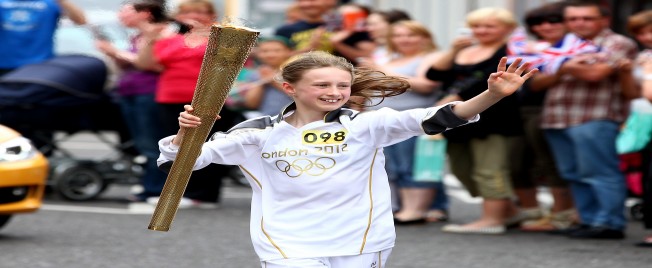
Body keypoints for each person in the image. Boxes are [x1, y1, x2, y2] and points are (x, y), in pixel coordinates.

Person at [157, 51, 536, 267]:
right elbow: (181, 162)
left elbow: (437, 117)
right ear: (290, 88)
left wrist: (492, 96)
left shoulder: (366, 126)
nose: (334, 92)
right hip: (287, 242)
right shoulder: (257, 132)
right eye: (322, 84)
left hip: (361, 240)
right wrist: (186, 134)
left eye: (342, 85)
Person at [537, 2, 638, 239]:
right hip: (556, 117)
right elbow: (535, 82)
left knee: (600, 172)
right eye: (572, 19)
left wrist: (559, 65)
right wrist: (567, 66)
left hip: (595, 116)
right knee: (572, 173)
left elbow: (596, 74)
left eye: (586, 18)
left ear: (604, 20)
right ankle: (588, 220)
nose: (578, 23)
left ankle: (609, 223)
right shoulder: (562, 43)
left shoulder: (617, 42)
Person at [427, 7, 525, 234]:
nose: (482, 30)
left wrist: (456, 97)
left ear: (508, 29)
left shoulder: (512, 50)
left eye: (490, 26)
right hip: (457, 117)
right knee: (461, 169)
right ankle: (508, 211)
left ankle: (492, 220)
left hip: (494, 118)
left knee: (490, 169)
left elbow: (498, 81)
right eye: (476, 26)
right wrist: (452, 50)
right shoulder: (464, 49)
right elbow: (434, 75)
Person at [136, 0, 242, 208]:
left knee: (206, 145)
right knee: (174, 145)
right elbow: (145, 64)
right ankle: (177, 193)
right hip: (170, 97)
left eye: (200, 12)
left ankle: (203, 194)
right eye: (187, 12)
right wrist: (150, 38)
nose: (193, 16)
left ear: (211, 15)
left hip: (209, 98)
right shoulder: (171, 39)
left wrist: (211, 32)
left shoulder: (222, 37)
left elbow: (235, 63)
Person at [358, 20, 445, 224]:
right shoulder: (386, 57)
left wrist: (380, 69)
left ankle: (417, 209)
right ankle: (400, 207)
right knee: (389, 167)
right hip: (377, 119)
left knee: (414, 166)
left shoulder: (431, 57)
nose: (403, 40)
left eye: (410, 35)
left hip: (411, 119)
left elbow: (426, 85)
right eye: (398, 35)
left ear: (425, 38)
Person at [508, 2, 576, 232]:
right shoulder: (521, 46)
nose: (546, 26)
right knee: (517, 162)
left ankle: (561, 215)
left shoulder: (577, 47)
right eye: (538, 22)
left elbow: (538, 83)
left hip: (556, 109)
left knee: (551, 162)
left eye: (553, 21)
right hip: (521, 109)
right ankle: (531, 212)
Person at [95, 0, 169, 202]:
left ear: (145, 13)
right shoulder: (137, 36)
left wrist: (116, 52)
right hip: (131, 92)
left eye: (126, 11)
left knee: (151, 143)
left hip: (148, 93)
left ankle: (155, 189)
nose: (120, 16)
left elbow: (153, 64)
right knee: (140, 143)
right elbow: (130, 64)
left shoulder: (160, 33)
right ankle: (148, 184)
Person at [0, 0, 86, 76]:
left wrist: (63, 1)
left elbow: (81, 20)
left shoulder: (50, 3)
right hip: (4, 65)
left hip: (41, 66)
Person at [625, 9, 652, 247]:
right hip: (644, 122)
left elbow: (650, 94)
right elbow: (633, 93)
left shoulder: (647, 62)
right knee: (646, 175)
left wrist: (647, 73)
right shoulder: (645, 55)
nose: (646, 37)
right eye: (641, 33)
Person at [239, 36, 294, 117]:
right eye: (265, 51)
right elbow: (251, 104)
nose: (270, 54)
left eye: (277, 51)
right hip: (268, 121)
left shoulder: (296, 72)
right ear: (258, 54)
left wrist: (273, 80)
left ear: (289, 51)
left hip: (295, 119)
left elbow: (301, 96)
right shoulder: (255, 74)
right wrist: (262, 81)